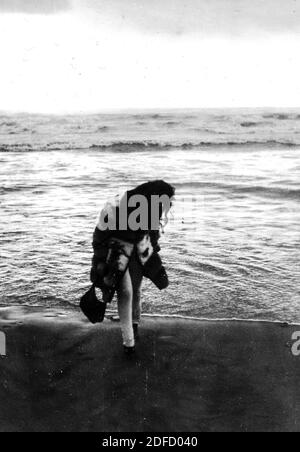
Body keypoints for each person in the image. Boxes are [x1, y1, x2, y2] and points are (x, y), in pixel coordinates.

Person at [91, 180, 175, 354]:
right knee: (126, 292)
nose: (169, 206)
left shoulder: (150, 210)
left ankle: (134, 323)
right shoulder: (116, 206)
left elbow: (152, 238)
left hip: (135, 252)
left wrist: (153, 259)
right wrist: (100, 263)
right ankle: (128, 341)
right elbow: (99, 236)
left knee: (135, 290)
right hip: (115, 253)